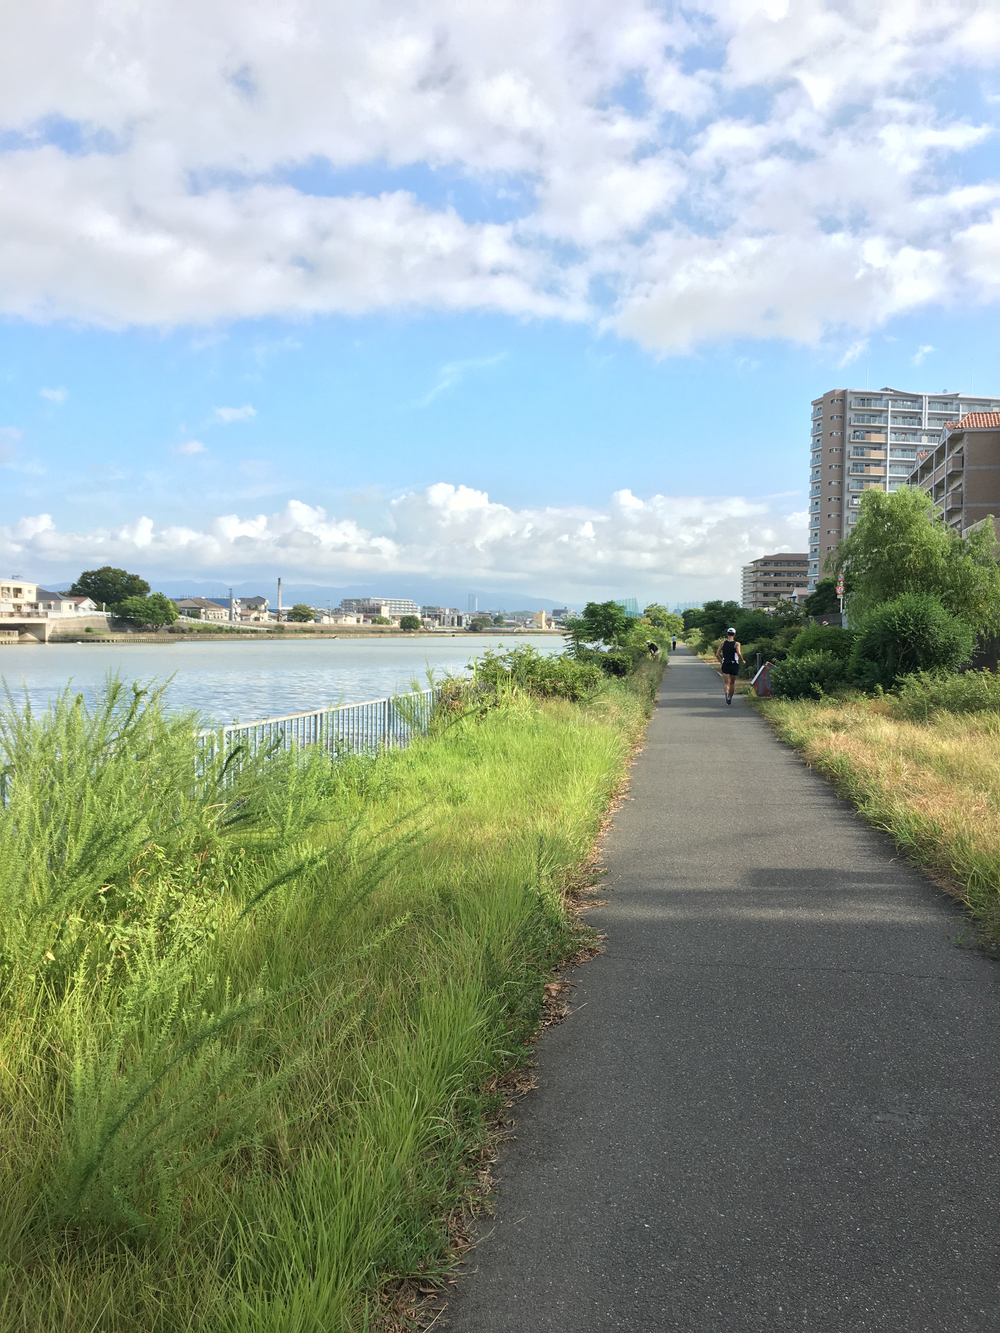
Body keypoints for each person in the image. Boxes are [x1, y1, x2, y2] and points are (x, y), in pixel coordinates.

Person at [715, 627, 743, 705]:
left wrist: (721, 662)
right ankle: (730, 698)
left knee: (727, 683)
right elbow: (739, 653)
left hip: (726, 664)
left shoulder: (723, 643)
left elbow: (717, 654)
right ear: (734, 634)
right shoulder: (737, 644)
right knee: (732, 683)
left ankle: (726, 693)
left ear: (727, 634)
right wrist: (742, 660)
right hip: (734, 664)